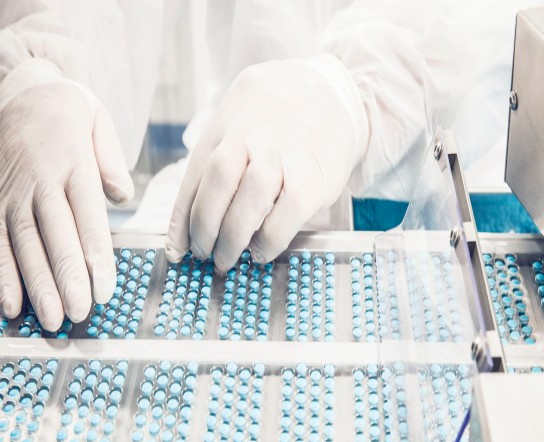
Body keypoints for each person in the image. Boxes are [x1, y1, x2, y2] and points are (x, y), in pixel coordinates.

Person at [0, 0, 540, 331]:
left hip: (445, 197)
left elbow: (497, 19)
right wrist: (36, 71)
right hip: (228, 176)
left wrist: (351, 96)